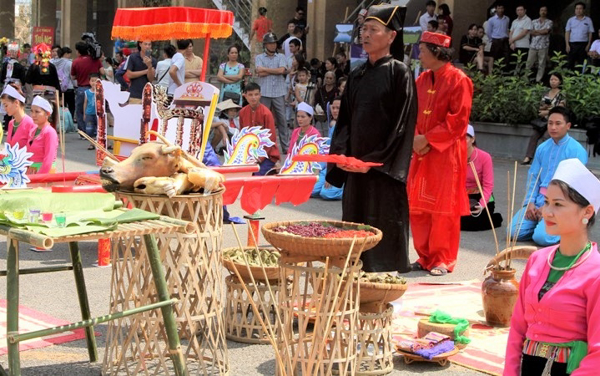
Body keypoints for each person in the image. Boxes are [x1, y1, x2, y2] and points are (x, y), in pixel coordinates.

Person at [327, 4, 417, 273]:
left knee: (383, 227)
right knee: (354, 230)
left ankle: (381, 288)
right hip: (354, 168)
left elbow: (403, 126)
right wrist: (341, 156)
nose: (365, 35)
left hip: (383, 170)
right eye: (363, 29)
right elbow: (344, 123)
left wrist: (375, 161)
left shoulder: (399, 72)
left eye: (373, 30)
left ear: (391, 36)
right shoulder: (356, 74)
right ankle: (355, 278)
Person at [504, 157, 600, 376]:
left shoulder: (596, 273)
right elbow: (518, 326)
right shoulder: (537, 260)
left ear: (587, 212)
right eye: (546, 202)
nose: (547, 212)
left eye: (558, 204)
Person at [408, 31, 473, 276]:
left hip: (445, 154)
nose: (419, 54)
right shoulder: (422, 79)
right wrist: (416, 138)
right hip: (421, 150)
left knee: (443, 208)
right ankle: (424, 257)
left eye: (423, 50)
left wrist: (428, 139)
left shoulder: (459, 80)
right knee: (419, 206)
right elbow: (411, 111)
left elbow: (458, 120)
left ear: (437, 52)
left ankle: (442, 259)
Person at [509, 106, 587, 247]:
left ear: (568, 126)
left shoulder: (577, 151)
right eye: (550, 123)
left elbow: (573, 187)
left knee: (542, 238)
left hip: (560, 203)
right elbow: (533, 177)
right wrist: (530, 203)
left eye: (558, 123)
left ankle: (553, 226)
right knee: (513, 233)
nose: (553, 127)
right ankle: (542, 223)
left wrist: (548, 206)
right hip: (538, 200)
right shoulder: (542, 148)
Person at [461, 125, 503, 231]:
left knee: (472, 222)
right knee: (452, 222)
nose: (461, 141)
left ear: (473, 139)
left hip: (480, 196)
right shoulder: (453, 156)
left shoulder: (484, 157)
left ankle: (494, 218)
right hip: (461, 197)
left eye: (465, 138)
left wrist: (482, 204)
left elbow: (488, 185)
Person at [255, 32, 289, 154]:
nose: (273, 45)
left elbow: (282, 70)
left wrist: (266, 70)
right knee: (263, 120)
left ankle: (286, 147)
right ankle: (264, 146)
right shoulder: (259, 57)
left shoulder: (281, 57)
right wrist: (275, 71)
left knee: (282, 120)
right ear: (265, 45)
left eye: (274, 43)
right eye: (270, 43)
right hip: (264, 92)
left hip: (279, 92)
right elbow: (259, 72)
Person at [522, 73, 566, 166]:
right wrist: (546, 108)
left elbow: (560, 108)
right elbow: (540, 108)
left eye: (555, 80)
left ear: (560, 82)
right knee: (534, 135)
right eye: (551, 80)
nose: (553, 82)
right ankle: (528, 157)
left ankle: (544, 158)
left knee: (547, 136)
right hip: (543, 121)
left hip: (554, 121)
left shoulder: (562, 94)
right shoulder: (546, 93)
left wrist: (547, 111)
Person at [238, 82, 281, 176]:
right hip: (249, 154)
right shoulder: (242, 112)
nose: (253, 97)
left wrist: (260, 158)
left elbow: (271, 139)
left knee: (255, 176)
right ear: (245, 96)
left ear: (260, 95)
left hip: (267, 155)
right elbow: (242, 137)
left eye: (256, 94)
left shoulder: (266, 113)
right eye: (250, 95)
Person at [312, 96, 343, 201]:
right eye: (333, 108)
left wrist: (332, 174)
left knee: (326, 193)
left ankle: (348, 190)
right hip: (328, 166)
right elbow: (327, 150)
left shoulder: (348, 128)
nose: (335, 111)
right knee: (311, 190)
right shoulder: (333, 126)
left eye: (338, 108)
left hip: (341, 168)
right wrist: (318, 168)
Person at [71, 41, 104, 135]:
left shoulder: (76, 61)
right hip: (96, 88)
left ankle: (83, 131)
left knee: (80, 111)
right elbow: (102, 72)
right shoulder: (95, 60)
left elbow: (73, 76)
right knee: (97, 109)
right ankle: (97, 130)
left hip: (81, 88)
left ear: (78, 51)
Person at [28, 96, 58, 174]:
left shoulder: (50, 132)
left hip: (45, 175)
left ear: (47, 113)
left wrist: (39, 177)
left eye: (37, 112)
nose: (33, 115)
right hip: (32, 172)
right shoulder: (33, 130)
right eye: (32, 111)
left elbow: (48, 160)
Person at [525, 6, 552, 83]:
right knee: (529, 63)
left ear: (546, 12)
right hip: (533, 45)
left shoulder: (549, 22)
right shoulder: (534, 21)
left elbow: (546, 31)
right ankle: (526, 79)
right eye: (541, 10)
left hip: (543, 45)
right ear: (539, 11)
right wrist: (541, 31)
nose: (543, 12)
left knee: (541, 64)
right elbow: (531, 32)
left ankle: (538, 80)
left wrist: (536, 31)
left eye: (545, 10)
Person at [565, 2, 594, 71]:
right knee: (570, 62)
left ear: (584, 10)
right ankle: (570, 79)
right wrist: (567, 44)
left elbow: (590, 33)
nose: (578, 10)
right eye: (577, 8)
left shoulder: (588, 20)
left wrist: (588, 44)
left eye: (580, 8)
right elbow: (567, 32)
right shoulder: (571, 20)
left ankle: (581, 78)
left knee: (582, 63)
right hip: (572, 44)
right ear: (575, 10)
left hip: (583, 44)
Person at [54, 47, 76, 119]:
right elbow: (72, 76)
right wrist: (75, 85)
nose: (70, 56)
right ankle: (69, 121)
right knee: (71, 106)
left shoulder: (53, 62)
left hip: (58, 87)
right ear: (66, 54)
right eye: (69, 54)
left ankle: (61, 121)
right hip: (68, 87)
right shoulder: (69, 63)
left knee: (61, 106)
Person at [487, 3, 510, 69]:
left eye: (501, 8)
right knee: (495, 58)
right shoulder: (491, 20)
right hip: (495, 40)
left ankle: (504, 72)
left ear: (504, 9)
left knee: (506, 57)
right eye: (499, 8)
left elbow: (507, 29)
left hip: (505, 40)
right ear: (496, 9)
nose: (500, 10)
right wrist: (491, 39)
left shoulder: (507, 19)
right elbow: (488, 31)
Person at [83, 73, 99, 149]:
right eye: (92, 81)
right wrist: (84, 113)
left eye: (96, 81)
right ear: (89, 82)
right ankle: (92, 143)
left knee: (99, 129)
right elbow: (85, 103)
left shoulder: (101, 92)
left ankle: (102, 143)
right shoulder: (87, 92)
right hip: (89, 113)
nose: (94, 83)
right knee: (89, 129)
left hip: (98, 113)